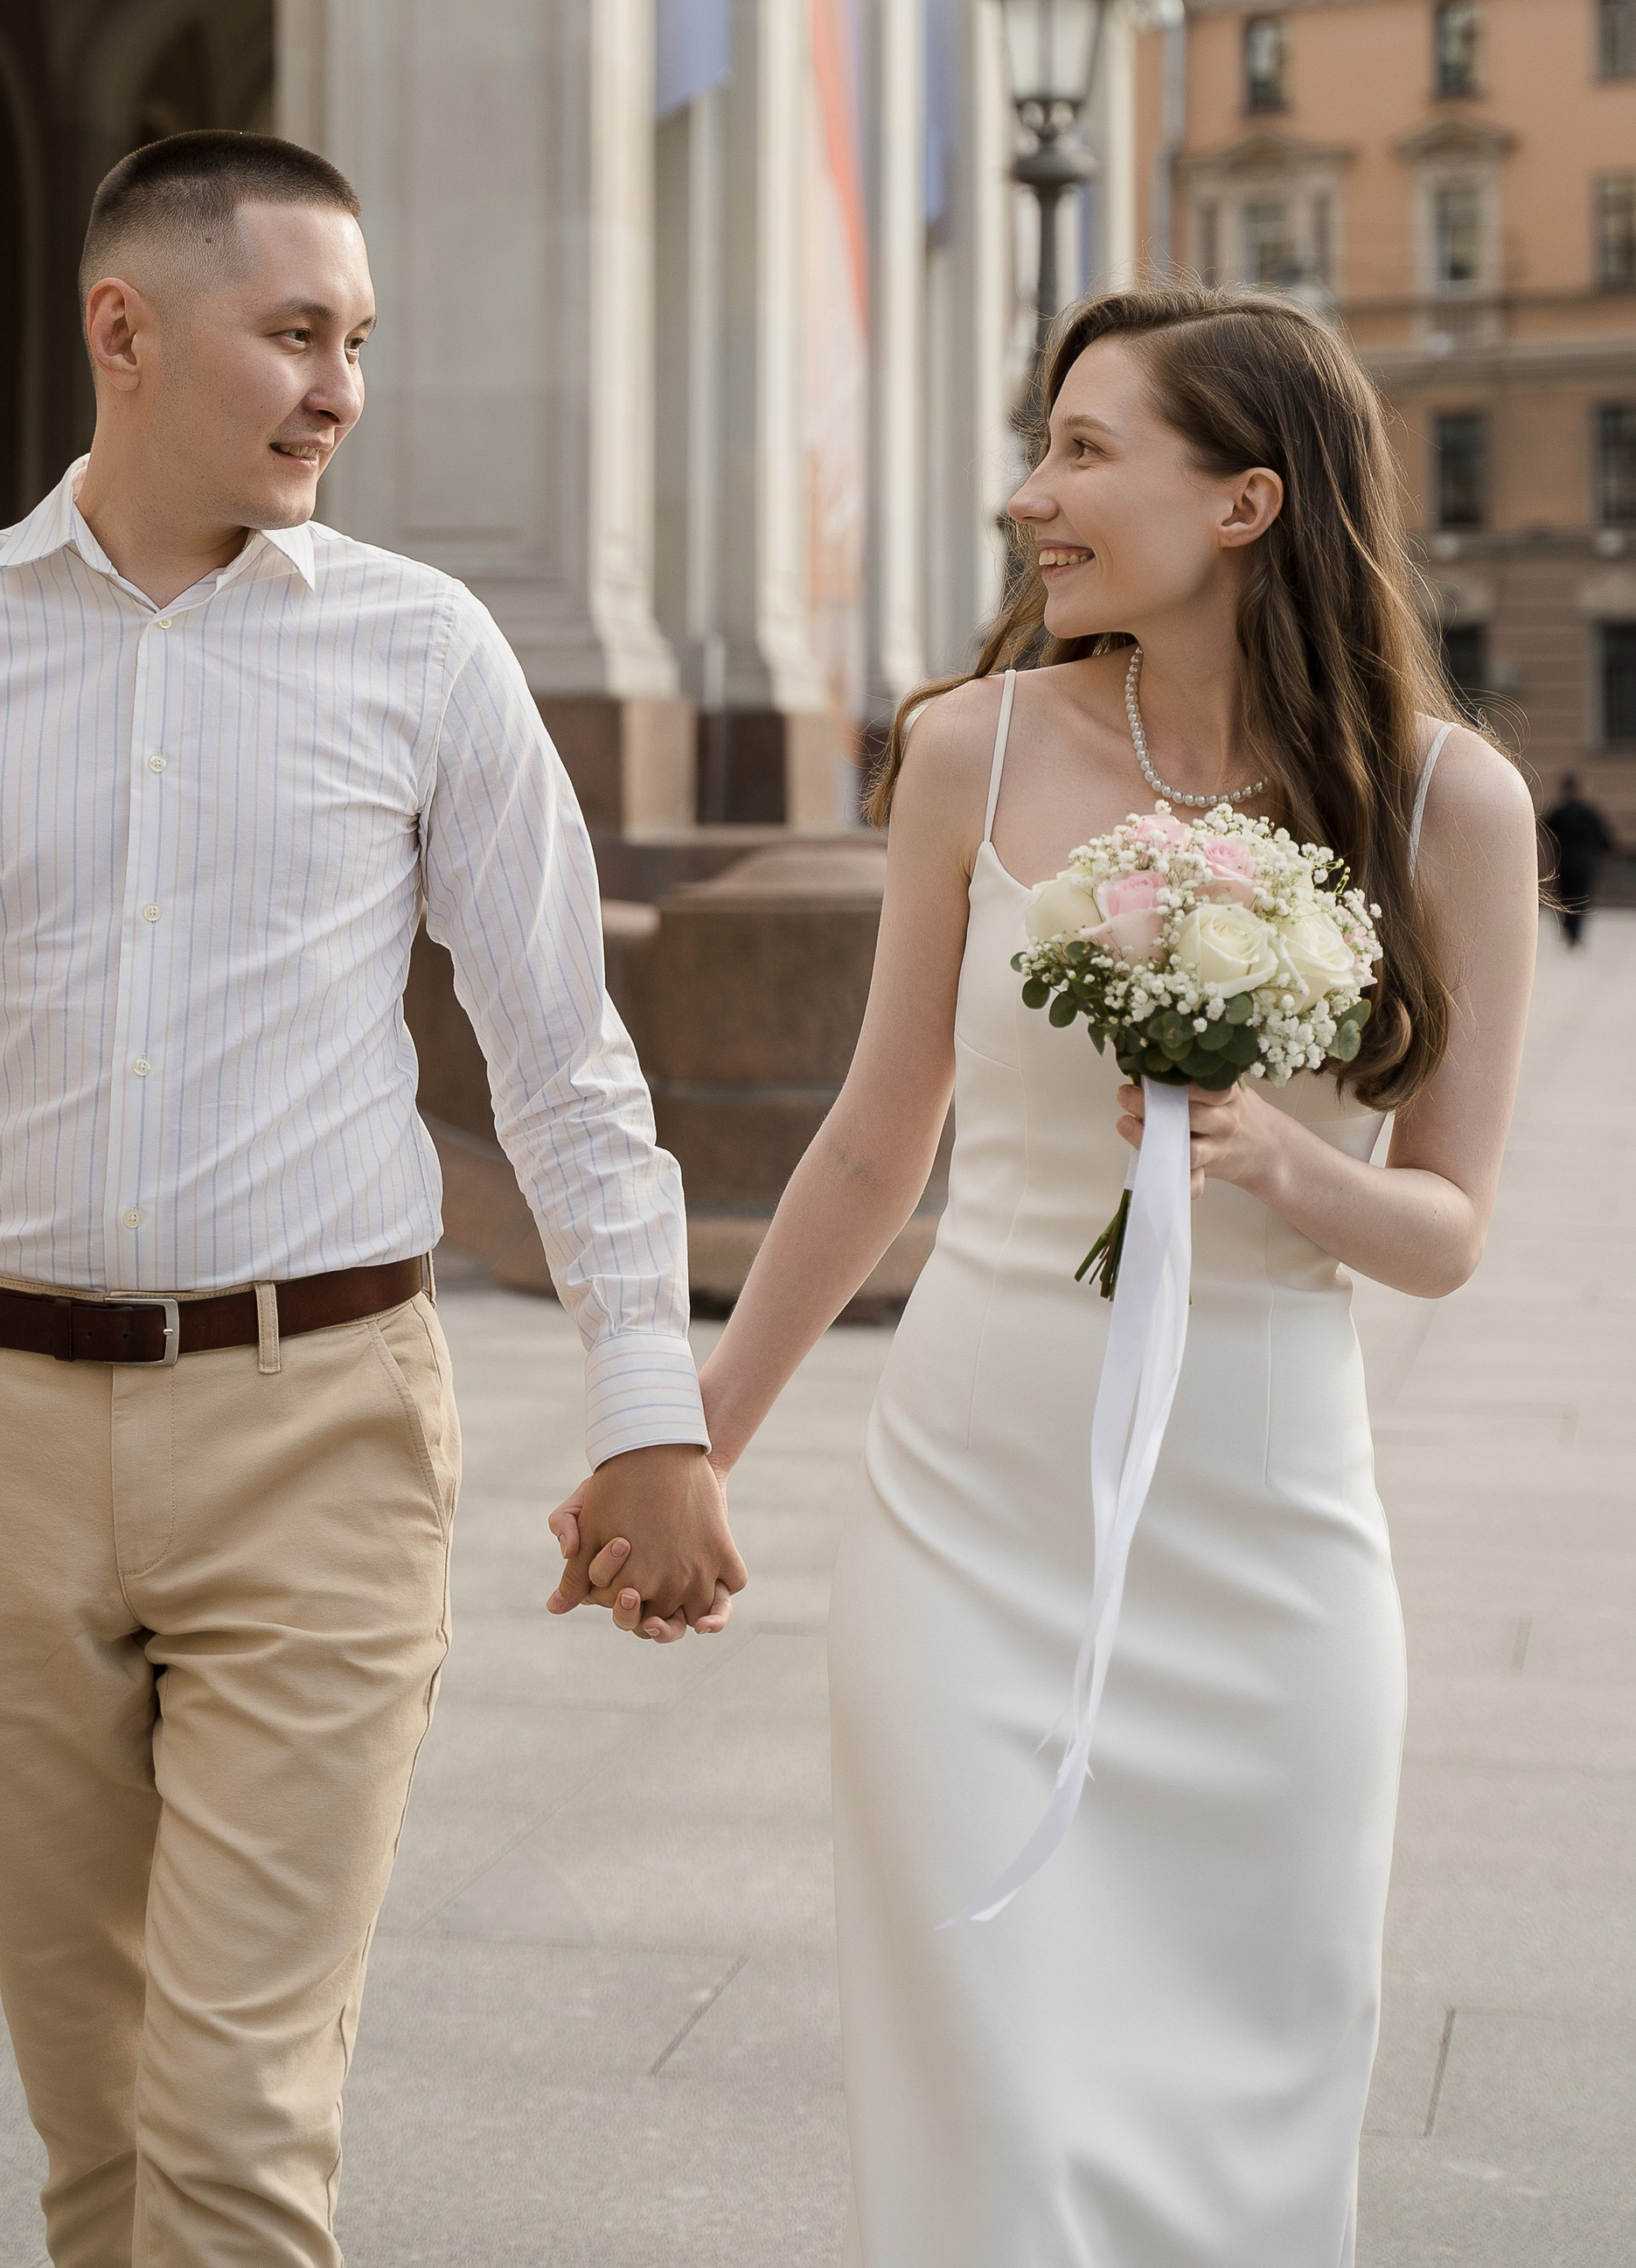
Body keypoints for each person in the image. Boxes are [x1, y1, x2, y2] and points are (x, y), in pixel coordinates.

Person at [0, 129, 742, 2268]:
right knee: (96, 2132)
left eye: (355, 339)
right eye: (292, 332)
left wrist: (650, 1405)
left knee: (233, 2115)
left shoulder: (423, 647)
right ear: (124, 328)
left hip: (319, 1426)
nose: (337, 388)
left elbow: (563, 1053)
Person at [558, 285, 1538, 2263]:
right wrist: (679, 1439)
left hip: (1266, 1524)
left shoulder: (1451, 805)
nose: (1031, 496)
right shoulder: (965, 747)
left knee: (1253, 2088)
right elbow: (866, 1139)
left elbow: (1442, 1224)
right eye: (1043, 445)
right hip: (968, 1510)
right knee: (981, 2105)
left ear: (1246, 498)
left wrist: (1278, 1161)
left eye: (1086, 451)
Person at [1541, 771, 1617, 946]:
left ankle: (1568, 928)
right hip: (1585, 863)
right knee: (1582, 898)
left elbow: (1543, 828)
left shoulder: (1560, 811)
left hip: (1565, 863)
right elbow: (1605, 838)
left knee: (1565, 897)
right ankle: (1576, 932)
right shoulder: (1590, 812)